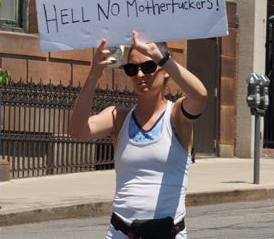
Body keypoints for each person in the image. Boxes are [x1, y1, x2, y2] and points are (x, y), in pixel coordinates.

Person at [69, 31, 207, 239]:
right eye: (132, 69)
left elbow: (200, 95)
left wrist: (162, 57)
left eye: (149, 66)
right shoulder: (119, 117)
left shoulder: (177, 115)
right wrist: (94, 74)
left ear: (165, 70)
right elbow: (78, 131)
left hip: (168, 233)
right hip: (122, 232)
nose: (140, 75)